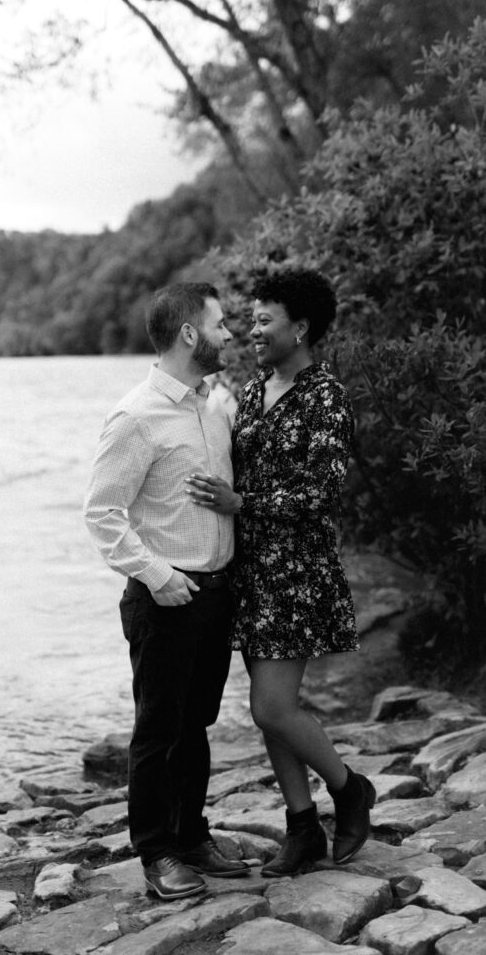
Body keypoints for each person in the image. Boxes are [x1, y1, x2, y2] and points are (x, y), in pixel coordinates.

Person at [186, 269, 375, 877]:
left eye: (266, 320)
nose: (254, 330)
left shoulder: (326, 398)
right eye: (252, 319)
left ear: (302, 327)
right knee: (267, 702)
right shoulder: (252, 388)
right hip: (251, 570)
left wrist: (244, 505)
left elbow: (320, 493)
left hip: (297, 570)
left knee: (271, 708)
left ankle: (349, 790)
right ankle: (302, 827)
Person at [83, 282, 248, 900]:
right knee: (157, 730)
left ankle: (193, 835)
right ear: (189, 334)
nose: (228, 333)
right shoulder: (135, 416)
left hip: (216, 593)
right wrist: (158, 576)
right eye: (219, 323)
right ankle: (156, 853)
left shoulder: (217, 402)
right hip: (164, 597)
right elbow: (102, 513)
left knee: (197, 723)